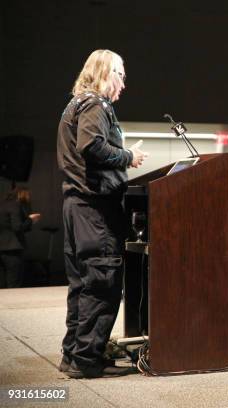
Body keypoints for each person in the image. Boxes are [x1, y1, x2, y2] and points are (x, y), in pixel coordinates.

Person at [57, 49, 148, 378]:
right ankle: (88, 361)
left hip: (76, 206)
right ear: (104, 72)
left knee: (82, 286)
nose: (124, 82)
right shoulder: (96, 104)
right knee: (102, 282)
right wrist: (128, 156)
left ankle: (73, 355)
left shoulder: (76, 103)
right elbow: (92, 146)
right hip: (95, 209)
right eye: (120, 73)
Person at [0, 187, 41, 288]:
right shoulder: (15, 205)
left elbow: (8, 226)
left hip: (2, 248)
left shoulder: (2, 205)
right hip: (12, 249)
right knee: (14, 282)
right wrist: (31, 220)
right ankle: (13, 303)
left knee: (4, 281)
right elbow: (17, 227)